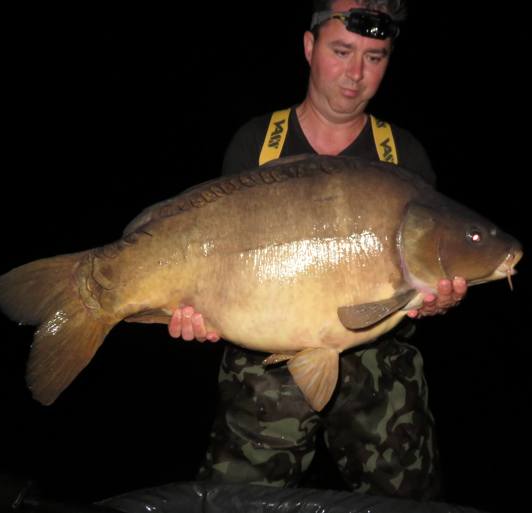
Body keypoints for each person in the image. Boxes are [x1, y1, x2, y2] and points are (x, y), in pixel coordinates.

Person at [169, 0, 467, 500]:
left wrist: (441, 301)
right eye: (342, 51)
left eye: (374, 57)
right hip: (264, 358)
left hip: (378, 357)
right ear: (309, 47)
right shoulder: (257, 143)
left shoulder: (403, 156)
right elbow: (214, 264)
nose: (355, 74)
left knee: (409, 500)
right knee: (235, 500)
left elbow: (423, 273)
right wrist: (194, 311)